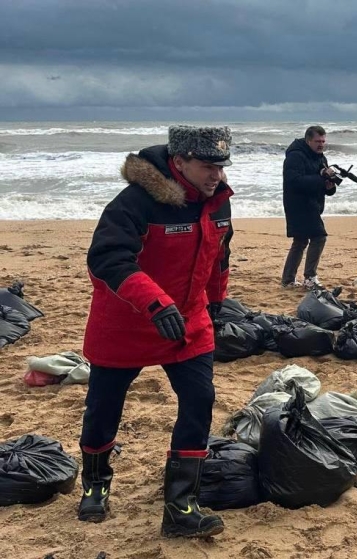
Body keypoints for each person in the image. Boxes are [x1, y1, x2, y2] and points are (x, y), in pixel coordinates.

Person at [78, 126, 234, 538]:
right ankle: (95, 484)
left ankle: (181, 505)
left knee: (200, 399)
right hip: (127, 320)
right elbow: (107, 257)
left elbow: (219, 256)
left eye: (220, 165)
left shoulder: (218, 202)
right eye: (207, 166)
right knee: (103, 407)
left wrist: (216, 303)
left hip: (188, 322)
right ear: (178, 161)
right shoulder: (135, 202)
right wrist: (154, 301)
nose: (215, 174)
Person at [281, 125, 337, 290]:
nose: (321, 144)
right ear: (308, 140)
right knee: (319, 237)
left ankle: (288, 280)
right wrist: (321, 179)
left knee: (300, 241)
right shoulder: (295, 156)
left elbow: (326, 186)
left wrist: (330, 186)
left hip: (313, 203)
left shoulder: (320, 157)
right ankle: (310, 278)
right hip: (298, 204)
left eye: (323, 141)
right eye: (317, 141)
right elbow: (293, 181)